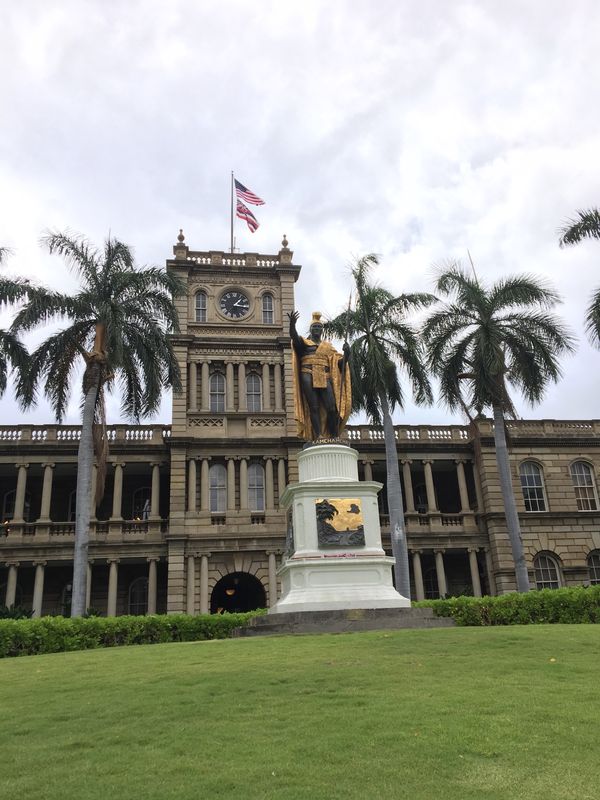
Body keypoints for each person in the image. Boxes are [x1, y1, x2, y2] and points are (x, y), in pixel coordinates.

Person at [289, 310, 352, 440]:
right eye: (314, 327)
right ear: (311, 329)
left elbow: (340, 364)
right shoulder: (304, 343)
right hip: (307, 373)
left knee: (331, 408)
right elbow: (294, 338)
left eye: (319, 327)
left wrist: (347, 354)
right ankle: (318, 435)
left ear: (322, 330)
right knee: (314, 406)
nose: (317, 329)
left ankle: (334, 436)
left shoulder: (327, 347)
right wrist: (292, 325)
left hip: (325, 375)